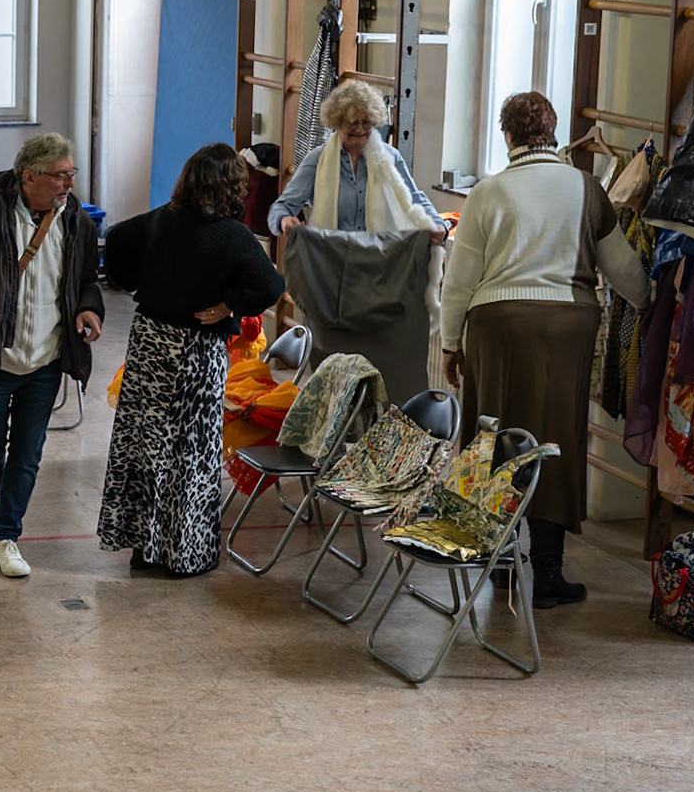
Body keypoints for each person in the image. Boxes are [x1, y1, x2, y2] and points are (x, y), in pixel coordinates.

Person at [439, 91, 650, 606]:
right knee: (556, 438)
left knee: (493, 437)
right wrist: (649, 302)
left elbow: (460, 280)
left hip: (497, 326)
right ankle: (549, 575)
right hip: (567, 326)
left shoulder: (488, 192)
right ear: (553, 134)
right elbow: (623, 269)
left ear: (507, 135)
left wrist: (449, 343)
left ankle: (501, 564)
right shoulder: (587, 189)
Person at [98, 145, 285, 577]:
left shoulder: (162, 219)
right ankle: (185, 555)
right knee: (191, 452)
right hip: (195, 351)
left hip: (149, 342)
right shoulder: (231, 234)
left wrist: (135, 282)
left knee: (147, 444)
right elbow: (271, 286)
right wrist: (229, 305)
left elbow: (118, 239)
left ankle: (145, 549)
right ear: (232, 186)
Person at [0, 134, 105, 579]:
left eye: (71, 173)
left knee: (27, 454)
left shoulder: (77, 221)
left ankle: (5, 538)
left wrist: (89, 308)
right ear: (29, 176)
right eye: (59, 175)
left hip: (46, 360)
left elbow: (86, 278)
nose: (69, 183)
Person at [268, 80, 445, 241]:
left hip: (379, 255)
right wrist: (284, 220)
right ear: (337, 122)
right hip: (329, 256)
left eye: (366, 123)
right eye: (352, 123)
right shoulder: (317, 159)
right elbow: (282, 206)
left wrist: (438, 226)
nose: (359, 130)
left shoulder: (390, 157)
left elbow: (414, 198)